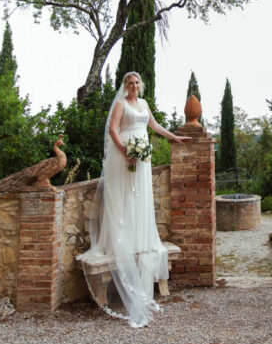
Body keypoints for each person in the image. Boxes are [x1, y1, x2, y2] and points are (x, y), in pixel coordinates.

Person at [77, 71, 190, 328]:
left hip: (143, 157)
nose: (134, 86)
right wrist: (126, 152)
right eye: (130, 82)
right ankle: (124, 239)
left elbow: (154, 126)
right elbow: (113, 130)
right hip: (125, 155)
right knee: (124, 197)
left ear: (141, 85)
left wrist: (174, 137)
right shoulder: (120, 104)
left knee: (140, 196)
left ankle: (139, 238)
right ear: (125, 86)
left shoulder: (144, 104)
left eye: (137, 82)